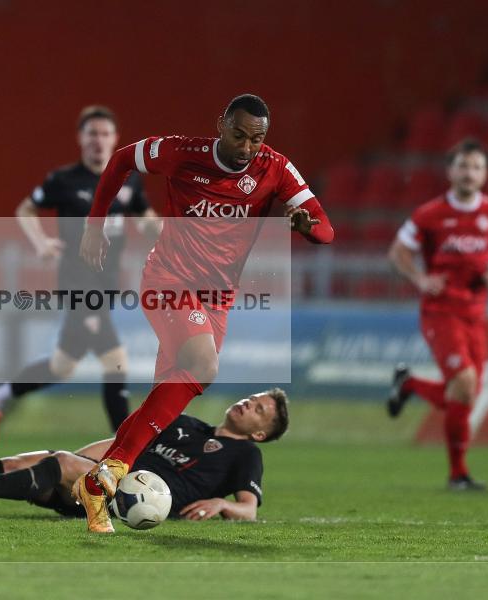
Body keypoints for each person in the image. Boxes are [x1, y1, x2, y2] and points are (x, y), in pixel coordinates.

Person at [74, 93, 334, 532]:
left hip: (217, 298)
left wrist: (309, 228)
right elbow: (120, 161)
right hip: (168, 279)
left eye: (257, 139)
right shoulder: (180, 153)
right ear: (221, 125)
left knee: (164, 410)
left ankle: (95, 489)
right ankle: (112, 469)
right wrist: (94, 226)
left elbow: (325, 228)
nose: (248, 147)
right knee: (204, 365)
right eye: (239, 135)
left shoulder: (274, 168)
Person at [0, 105, 160, 446]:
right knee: (116, 362)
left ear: (115, 139)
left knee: (62, 366)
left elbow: (145, 217)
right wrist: (40, 242)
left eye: (105, 134)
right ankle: (125, 451)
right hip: (78, 285)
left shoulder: (128, 179)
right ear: (80, 139)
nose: (99, 141)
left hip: (106, 287)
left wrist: (172, 234)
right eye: (92, 134)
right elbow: (26, 208)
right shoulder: (64, 180)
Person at [0, 389, 288, 522]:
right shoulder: (186, 424)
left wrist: (222, 504)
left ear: (261, 433)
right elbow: (117, 444)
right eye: (251, 398)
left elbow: (249, 508)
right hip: (108, 483)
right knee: (35, 460)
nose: (248, 404)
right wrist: (76, 458)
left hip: (134, 505)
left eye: (260, 409)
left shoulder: (244, 455)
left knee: (62, 465)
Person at [387, 138, 488, 491]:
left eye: (476, 167)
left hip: (476, 313)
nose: (469, 173)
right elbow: (398, 251)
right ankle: (457, 474)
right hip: (440, 312)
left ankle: (410, 384)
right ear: (450, 171)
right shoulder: (429, 214)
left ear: (485, 173)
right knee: (464, 383)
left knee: (466, 394)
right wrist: (419, 277)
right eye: (462, 166)